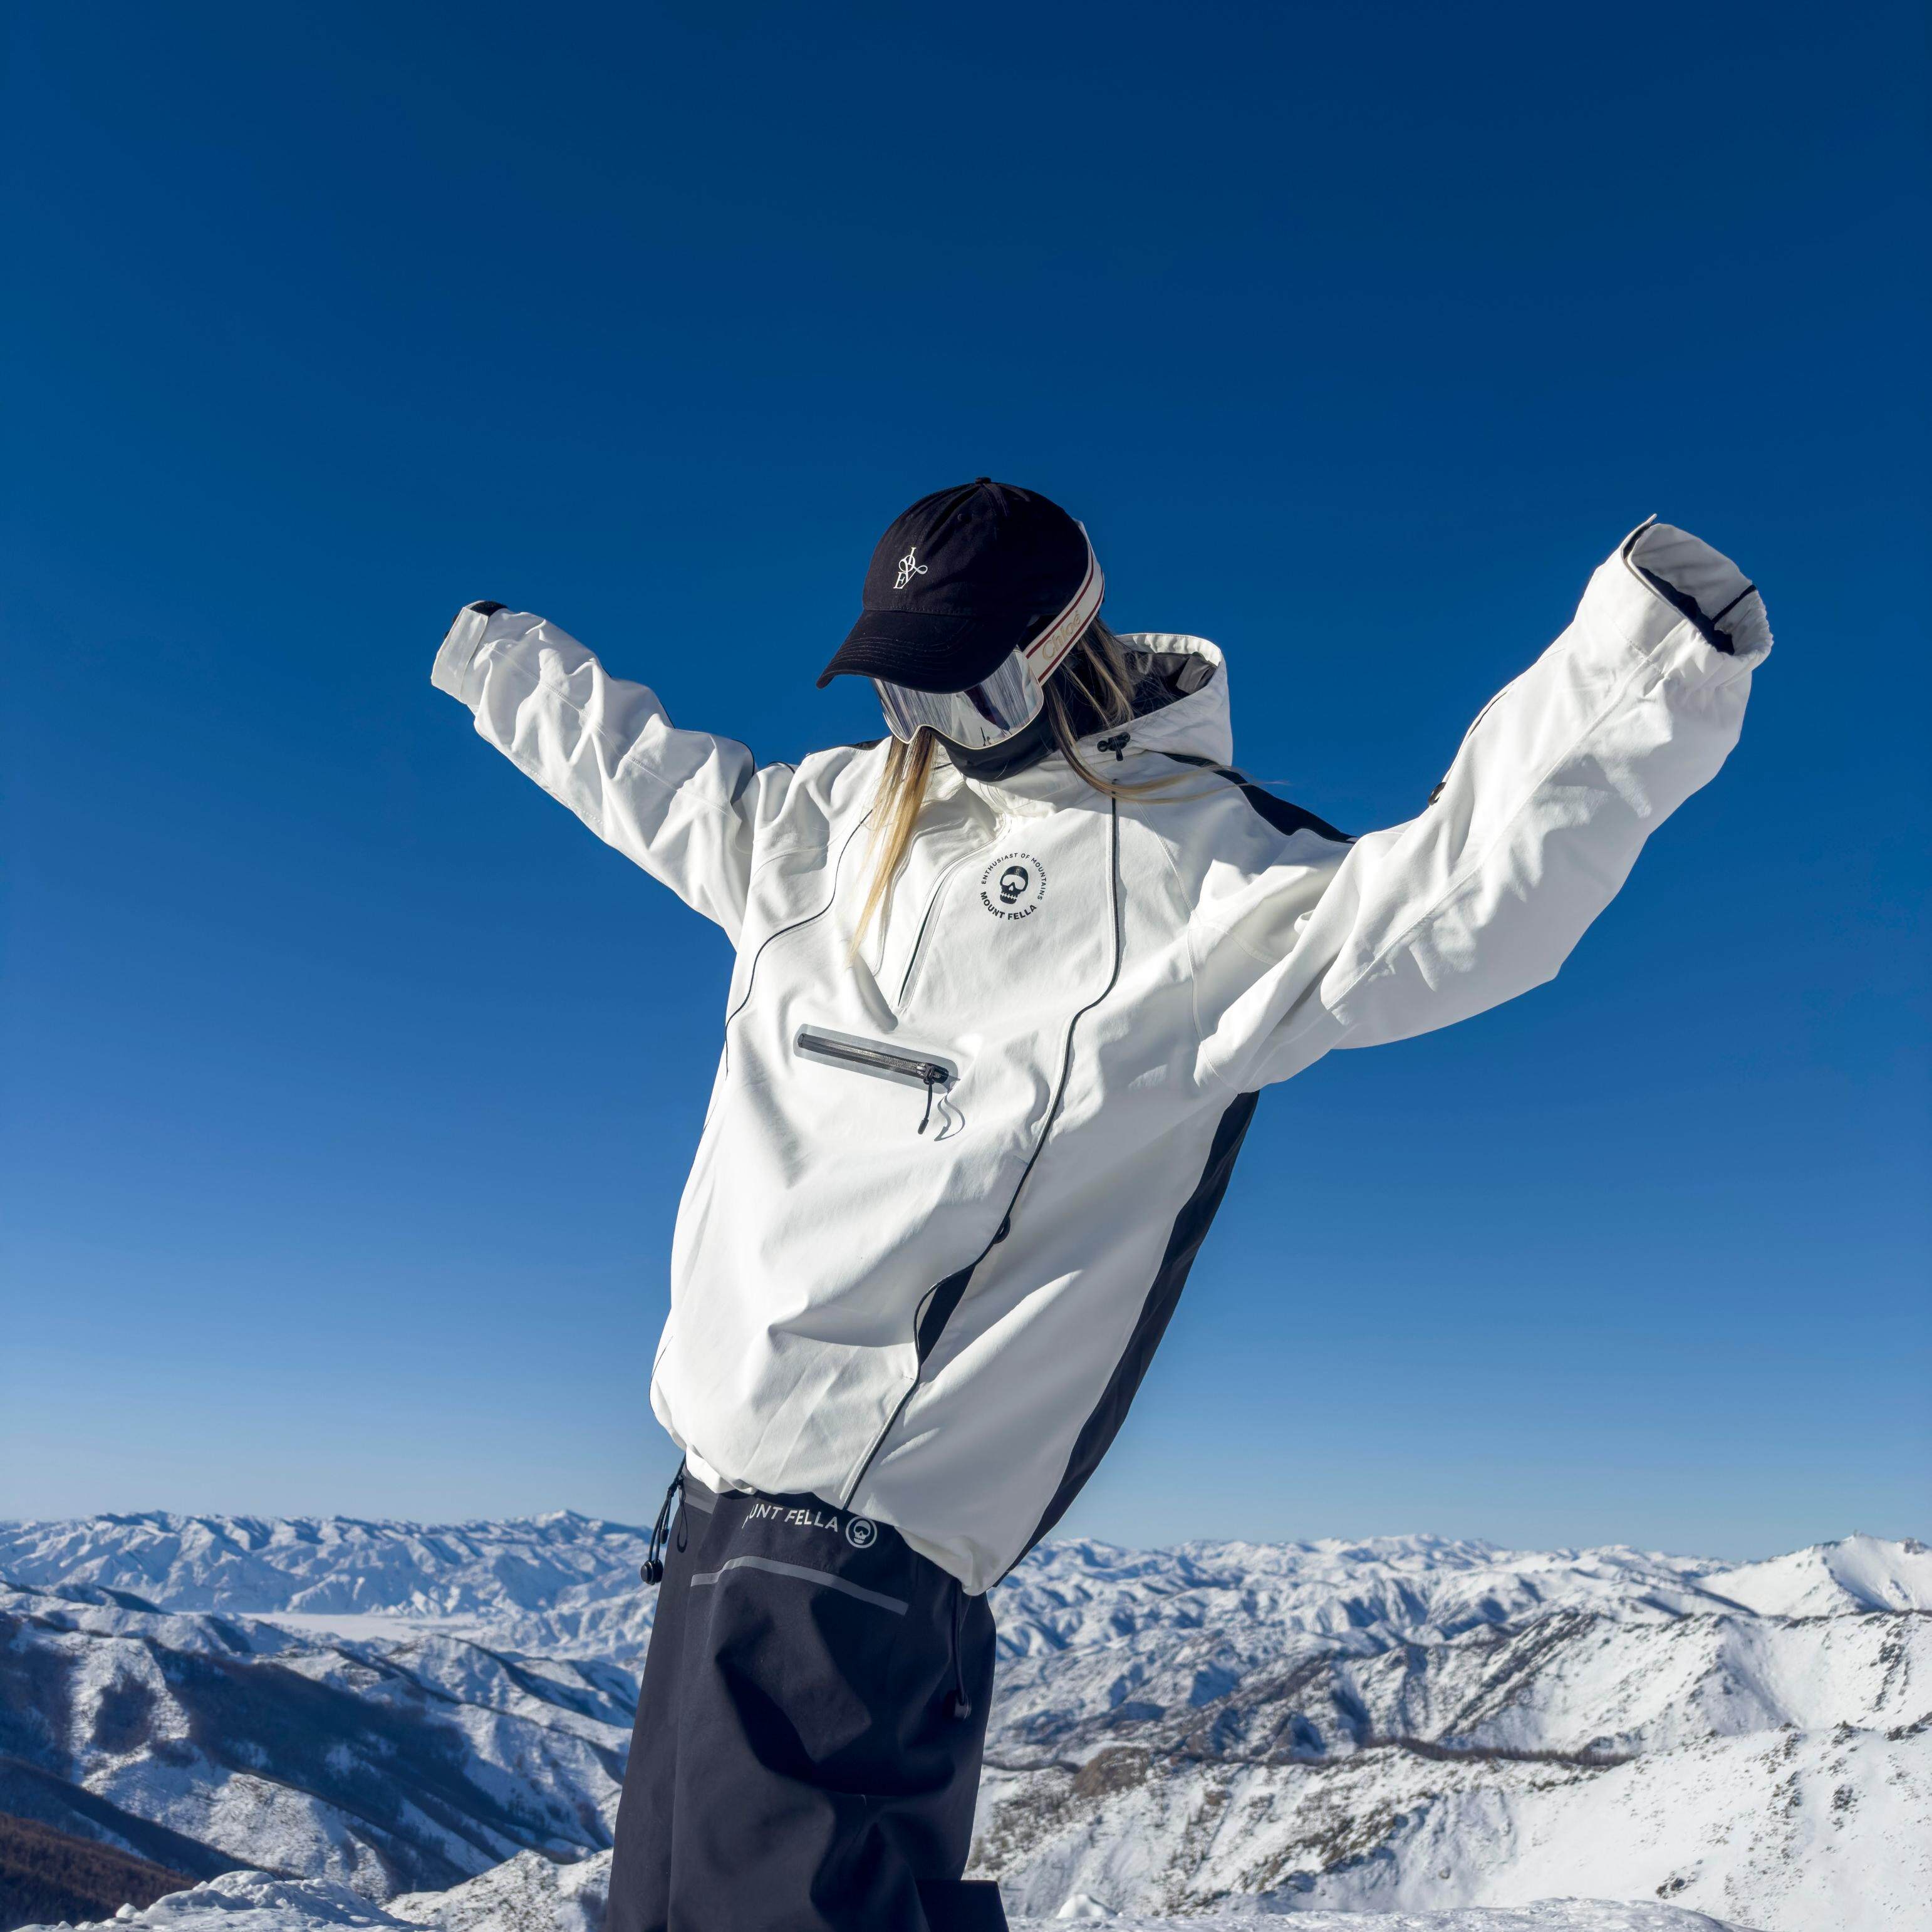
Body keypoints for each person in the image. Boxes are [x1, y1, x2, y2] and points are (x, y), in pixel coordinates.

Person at [431, 480, 1771, 1931]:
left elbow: (1459, 897)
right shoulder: (830, 826)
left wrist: (1647, 657)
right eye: (901, 691)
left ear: (1071, 653)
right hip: (704, 1533)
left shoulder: (1202, 879)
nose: (934, 730)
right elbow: (650, 777)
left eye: (974, 684)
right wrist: (500, 659)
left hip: (861, 1585)